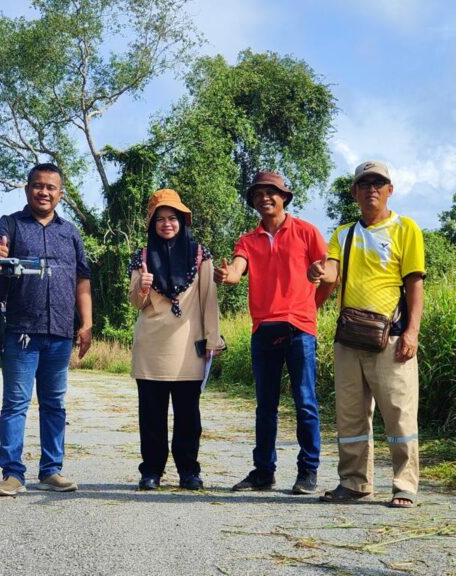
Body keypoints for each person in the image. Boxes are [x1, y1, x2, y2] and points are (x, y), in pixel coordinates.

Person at [308, 161, 425, 509]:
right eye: (364, 184)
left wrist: (412, 333)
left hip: (392, 336)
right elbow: (332, 271)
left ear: (390, 190)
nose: (371, 189)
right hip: (348, 338)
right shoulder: (344, 234)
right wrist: (319, 271)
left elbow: (414, 284)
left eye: (378, 183)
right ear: (354, 192)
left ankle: (404, 485)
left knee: (399, 413)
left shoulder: (405, 228)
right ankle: (354, 482)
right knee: (350, 415)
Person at [214, 171, 329, 494]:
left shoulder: (306, 231)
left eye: (271, 192)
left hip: (300, 329)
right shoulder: (248, 240)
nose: (264, 198)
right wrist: (228, 275)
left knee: (305, 401)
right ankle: (263, 472)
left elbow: (328, 272)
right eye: (258, 194)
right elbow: (238, 268)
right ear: (253, 201)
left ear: (284, 197)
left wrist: (312, 305)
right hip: (264, 328)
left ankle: (308, 471)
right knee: (265, 406)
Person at [0, 163, 93, 496]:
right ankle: (13, 473)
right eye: (38, 185)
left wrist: (86, 323)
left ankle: (51, 471)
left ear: (61, 193)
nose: (44, 192)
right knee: (15, 403)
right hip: (20, 331)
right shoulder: (9, 224)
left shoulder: (70, 232)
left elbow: (82, 279)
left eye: (50, 187)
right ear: (27, 188)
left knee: (54, 404)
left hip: (59, 331)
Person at [128, 189, 225, 491]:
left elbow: (209, 299)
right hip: (150, 346)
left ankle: (189, 471)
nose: (166, 224)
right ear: (152, 224)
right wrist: (143, 287)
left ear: (183, 221)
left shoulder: (200, 254)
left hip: (188, 346)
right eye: (160, 219)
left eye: (173, 218)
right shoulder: (143, 255)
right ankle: (151, 471)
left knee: (188, 416)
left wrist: (212, 339)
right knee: (151, 416)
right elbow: (136, 303)